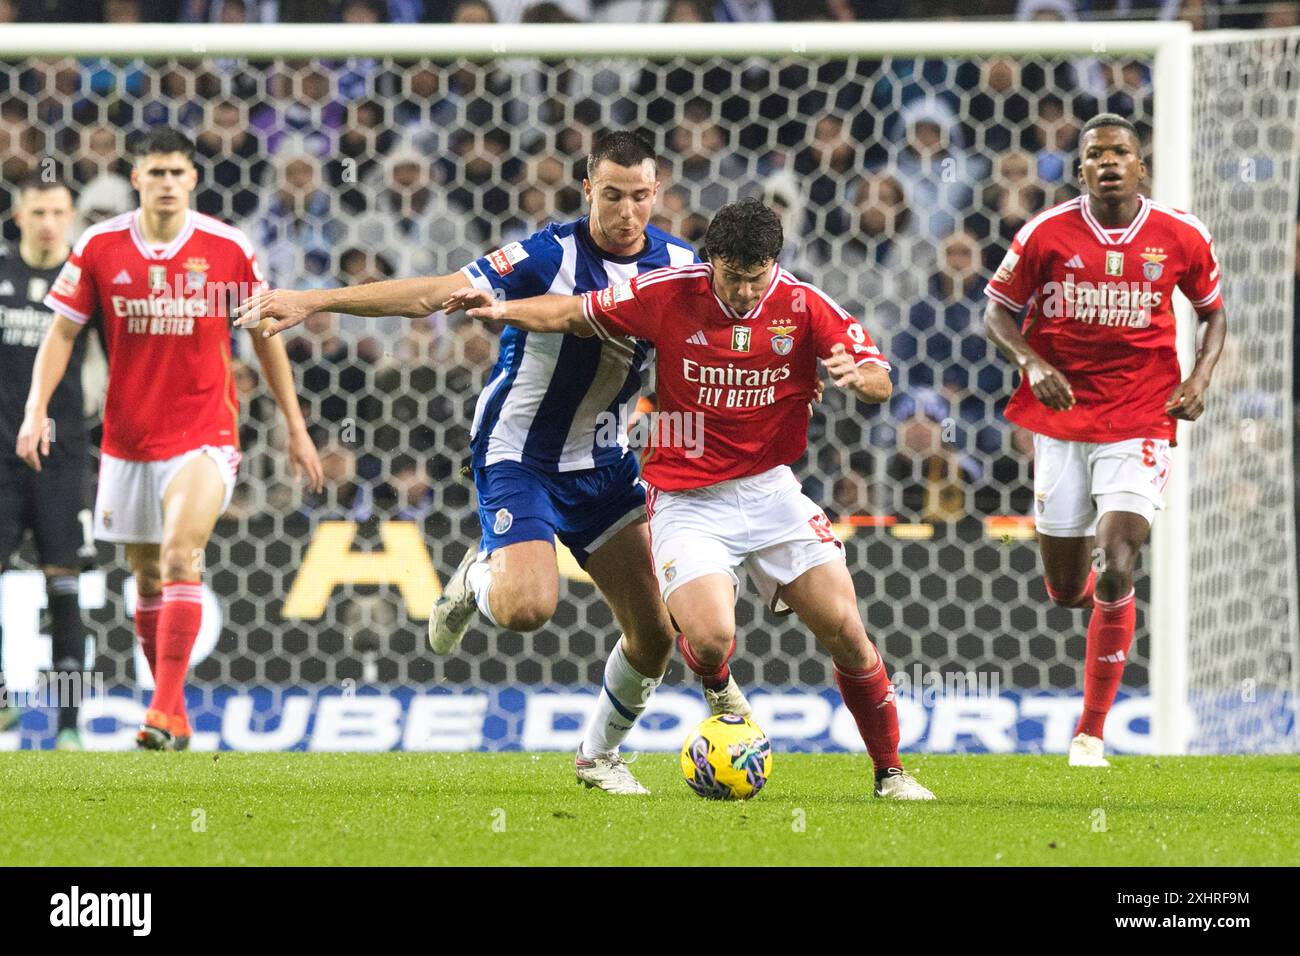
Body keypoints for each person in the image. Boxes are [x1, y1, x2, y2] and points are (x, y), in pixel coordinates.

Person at [235, 132, 738, 795]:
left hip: (605, 460)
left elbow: (733, 335)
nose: (626, 212)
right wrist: (312, 301)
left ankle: (597, 758)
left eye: (640, 197)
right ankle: (476, 581)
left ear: (659, 193)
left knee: (653, 636)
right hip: (519, 452)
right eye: (611, 195)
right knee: (528, 607)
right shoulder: (545, 253)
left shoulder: (680, 265)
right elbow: (434, 296)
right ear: (588, 190)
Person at [446, 198, 936, 800]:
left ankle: (891, 773)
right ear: (712, 263)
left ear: (774, 265)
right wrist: (502, 307)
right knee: (707, 639)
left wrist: (866, 383)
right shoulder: (670, 293)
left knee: (846, 630)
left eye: (757, 278)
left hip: (771, 492)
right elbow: (574, 313)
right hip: (687, 499)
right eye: (732, 276)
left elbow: (877, 373)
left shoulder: (805, 305)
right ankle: (718, 685)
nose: (745, 292)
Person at [20, 127, 323, 751]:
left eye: (176, 173)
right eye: (154, 172)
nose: (165, 183)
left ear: (193, 180)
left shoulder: (227, 248)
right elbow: (62, 333)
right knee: (148, 576)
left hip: (205, 429)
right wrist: (36, 409)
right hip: (127, 438)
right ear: (136, 179)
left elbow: (265, 335)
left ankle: (160, 711)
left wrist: (295, 426)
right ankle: (175, 712)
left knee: (184, 555)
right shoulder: (100, 246)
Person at [983, 113, 1227, 767]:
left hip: (1142, 414)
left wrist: (1200, 376)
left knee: (1118, 559)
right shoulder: (1045, 234)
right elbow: (996, 312)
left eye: (1121, 152)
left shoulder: (1181, 234)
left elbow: (1213, 314)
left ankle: (1090, 734)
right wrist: (1034, 363)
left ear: (1140, 165)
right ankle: (1100, 604)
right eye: (1097, 155)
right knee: (1066, 589)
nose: (1110, 162)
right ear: (1082, 168)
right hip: (1062, 421)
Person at [0, 175, 88, 749]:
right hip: (0, 456)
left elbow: (120, 354)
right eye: (39, 211)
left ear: (71, 215)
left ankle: (69, 727)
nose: (49, 222)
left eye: (58, 211)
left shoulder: (85, 280)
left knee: (65, 585)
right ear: (19, 214)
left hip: (61, 457)